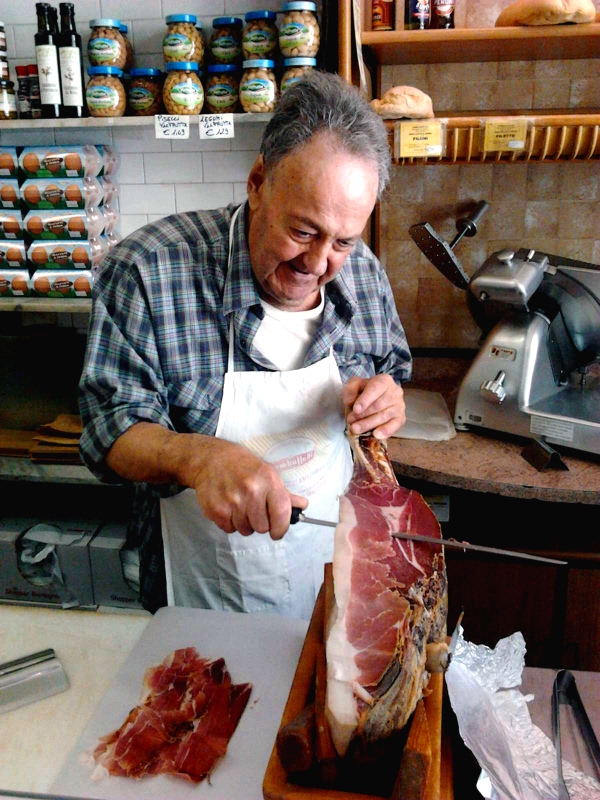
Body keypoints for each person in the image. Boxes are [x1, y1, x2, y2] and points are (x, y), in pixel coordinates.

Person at [79, 71, 412, 619]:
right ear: (258, 182)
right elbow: (108, 430)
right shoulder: (149, 270)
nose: (318, 263)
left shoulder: (364, 273)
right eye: (302, 231)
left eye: (343, 241)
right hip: (202, 595)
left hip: (329, 580)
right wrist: (198, 457)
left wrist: (384, 401)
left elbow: (390, 374)